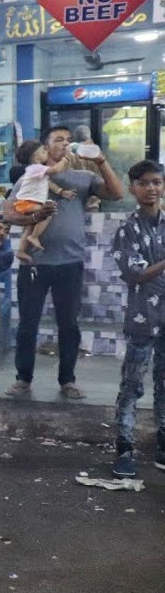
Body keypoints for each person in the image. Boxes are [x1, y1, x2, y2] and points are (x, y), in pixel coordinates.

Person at [3, 125, 125, 400]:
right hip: (34, 264)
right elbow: (9, 213)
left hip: (70, 262)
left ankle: (67, 380)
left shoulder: (83, 177)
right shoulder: (32, 176)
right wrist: (33, 219)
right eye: (59, 140)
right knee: (28, 323)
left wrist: (101, 160)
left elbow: (117, 194)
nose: (66, 144)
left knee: (68, 324)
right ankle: (23, 379)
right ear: (45, 148)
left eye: (69, 140)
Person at [110, 160, 165, 477]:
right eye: (144, 183)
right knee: (132, 386)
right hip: (143, 318)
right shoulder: (126, 230)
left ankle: (163, 444)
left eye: (156, 182)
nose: (151, 188)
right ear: (132, 188)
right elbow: (134, 274)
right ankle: (124, 449)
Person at [11, 140, 77, 263]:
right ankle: (34, 237)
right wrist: (65, 159)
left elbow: (48, 183)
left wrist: (61, 192)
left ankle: (21, 251)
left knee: (30, 227)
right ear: (36, 158)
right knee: (48, 212)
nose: (46, 152)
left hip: (26, 204)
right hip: (26, 203)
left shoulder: (37, 171)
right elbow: (55, 170)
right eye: (43, 151)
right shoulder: (36, 168)